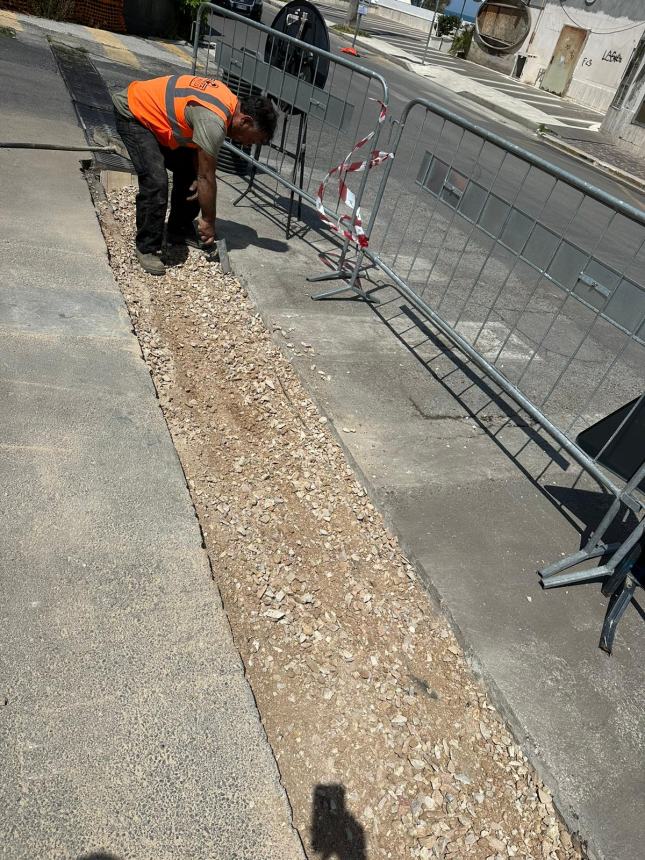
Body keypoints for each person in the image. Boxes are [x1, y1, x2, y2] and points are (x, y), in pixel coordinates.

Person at [112, 74, 277, 275]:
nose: (248, 145)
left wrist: (202, 183)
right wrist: (208, 221)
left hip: (159, 122)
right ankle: (146, 246)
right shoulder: (213, 119)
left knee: (193, 173)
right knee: (156, 182)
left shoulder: (228, 104)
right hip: (134, 113)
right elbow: (207, 177)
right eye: (255, 139)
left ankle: (178, 231)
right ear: (245, 120)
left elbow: (201, 171)